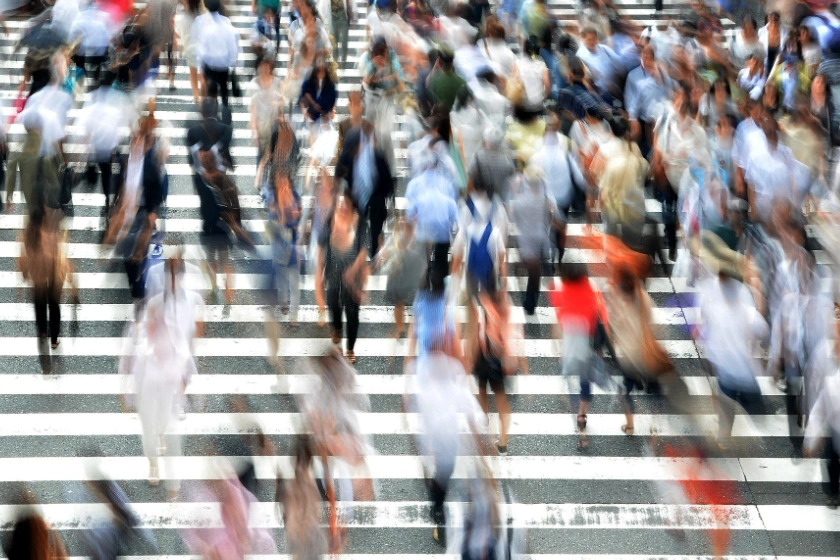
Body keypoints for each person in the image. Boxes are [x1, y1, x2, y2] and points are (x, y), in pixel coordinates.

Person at [315, 194, 369, 363]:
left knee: (352, 314)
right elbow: (321, 248)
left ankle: (350, 347)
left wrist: (354, 270)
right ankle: (337, 328)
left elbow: (363, 249)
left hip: (353, 279)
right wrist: (320, 271)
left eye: (346, 205)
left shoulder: (360, 224)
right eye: (340, 205)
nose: (342, 209)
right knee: (333, 304)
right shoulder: (331, 221)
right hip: (333, 274)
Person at [18, 208, 76, 353]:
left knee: (39, 302)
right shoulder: (50, 227)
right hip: (54, 272)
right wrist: (71, 277)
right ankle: (54, 339)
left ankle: (43, 331)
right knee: (54, 304)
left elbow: (23, 254)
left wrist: (24, 272)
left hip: (38, 271)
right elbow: (60, 253)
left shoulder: (30, 230)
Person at [336, 127, 394, 258]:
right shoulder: (348, 155)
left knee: (375, 228)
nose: (354, 153)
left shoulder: (376, 155)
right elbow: (338, 171)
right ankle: (355, 255)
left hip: (376, 196)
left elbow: (388, 180)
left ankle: (373, 254)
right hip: (356, 196)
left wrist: (388, 199)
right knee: (356, 228)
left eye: (355, 150)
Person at [510, 166, 559, 315]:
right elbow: (550, 218)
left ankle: (528, 302)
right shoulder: (545, 200)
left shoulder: (518, 202)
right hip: (540, 237)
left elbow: (514, 220)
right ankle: (530, 303)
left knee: (532, 271)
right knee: (535, 273)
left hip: (526, 238)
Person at [191, 0, 241, 107]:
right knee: (224, 88)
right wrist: (233, 61)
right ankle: (225, 109)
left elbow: (197, 43)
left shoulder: (199, 21)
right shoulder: (226, 22)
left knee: (210, 90)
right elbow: (232, 44)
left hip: (209, 64)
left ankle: (211, 111)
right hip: (223, 63)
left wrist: (199, 64)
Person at [249, 55, 284, 165]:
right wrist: (254, 131)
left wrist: (278, 104)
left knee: (275, 158)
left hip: (274, 126)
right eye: (262, 65)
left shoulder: (277, 82)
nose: (264, 68)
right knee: (260, 159)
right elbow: (252, 111)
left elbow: (284, 100)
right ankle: (260, 181)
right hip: (261, 128)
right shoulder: (254, 84)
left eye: (267, 65)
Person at [299, 59, 338, 126]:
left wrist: (333, 111)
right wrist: (305, 112)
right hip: (311, 115)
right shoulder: (308, 83)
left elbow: (333, 98)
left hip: (325, 117)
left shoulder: (330, 84)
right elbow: (302, 98)